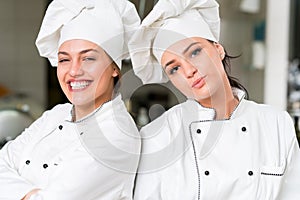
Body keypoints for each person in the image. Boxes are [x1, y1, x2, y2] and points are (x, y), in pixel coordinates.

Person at [129, 0, 300, 199]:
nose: (189, 71)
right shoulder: (156, 138)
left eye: (194, 52)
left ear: (218, 49)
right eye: (174, 68)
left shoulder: (276, 123)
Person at [0, 0, 141, 199]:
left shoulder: (116, 135)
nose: (74, 71)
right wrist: (32, 194)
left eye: (88, 58)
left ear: (114, 69)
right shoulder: (56, 115)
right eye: (64, 59)